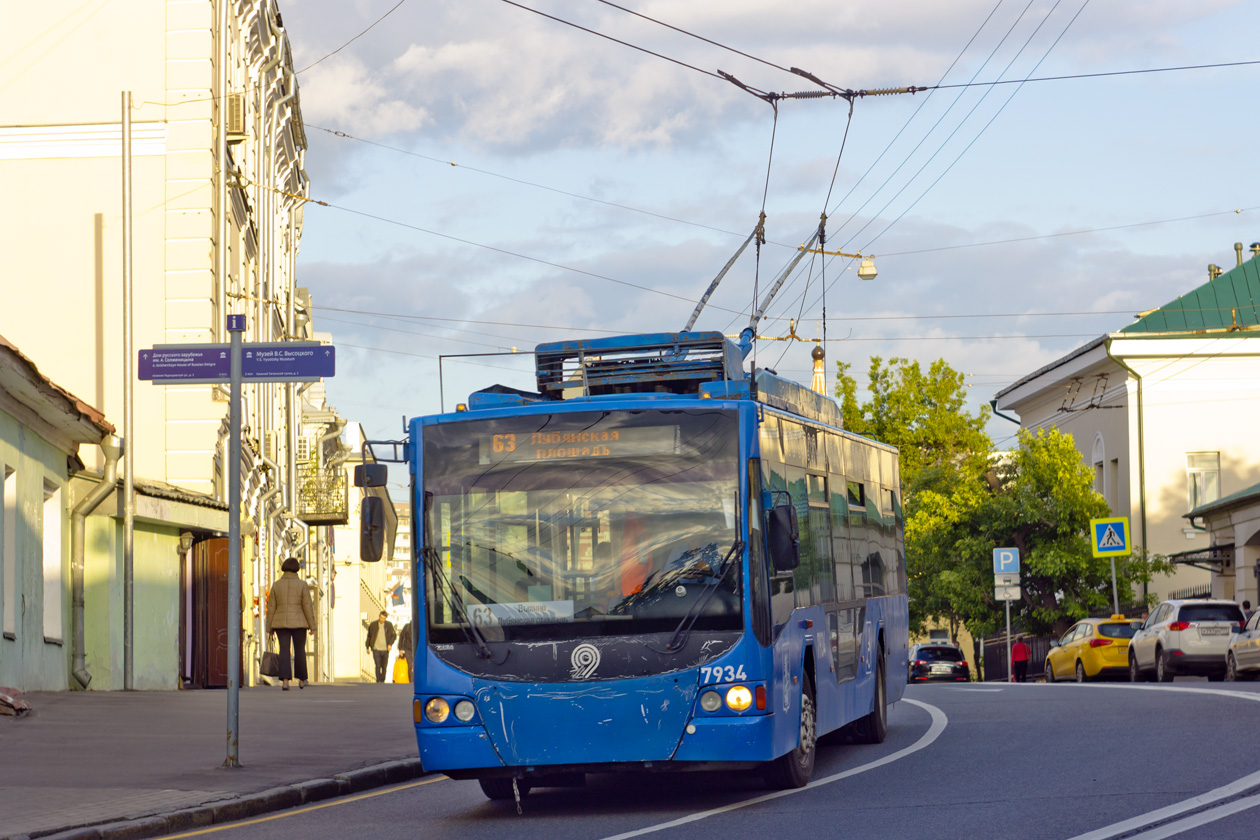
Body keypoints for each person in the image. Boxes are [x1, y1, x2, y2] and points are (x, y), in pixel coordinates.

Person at [266, 557, 316, 690]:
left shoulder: (276, 585)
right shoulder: (302, 585)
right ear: (297, 569)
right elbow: (307, 607)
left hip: (281, 624)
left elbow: (271, 608)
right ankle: (301, 680)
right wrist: (312, 626)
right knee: (300, 650)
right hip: (299, 624)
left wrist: (269, 627)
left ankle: (286, 681)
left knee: (284, 651)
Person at [365, 610, 397, 683]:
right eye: (381, 618)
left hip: (385, 649)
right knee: (378, 665)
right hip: (376, 648)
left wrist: (390, 644)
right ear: (379, 616)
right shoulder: (373, 625)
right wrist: (367, 647)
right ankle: (378, 680)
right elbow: (369, 636)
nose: (382, 619)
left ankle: (382, 680)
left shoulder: (389, 625)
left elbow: (394, 635)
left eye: (384, 618)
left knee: (384, 666)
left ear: (386, 618)